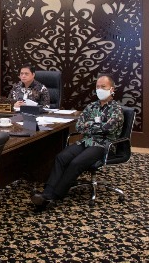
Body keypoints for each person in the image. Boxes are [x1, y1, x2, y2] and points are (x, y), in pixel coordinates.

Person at [31, 75, 124, 209]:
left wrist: (89, 124)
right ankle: (47, 192)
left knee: (76, 163)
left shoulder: (116, 109)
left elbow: (108, 128)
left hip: (103, 145)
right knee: (61, 157)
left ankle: (53, 196)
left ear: (112, 89)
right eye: (97, 87)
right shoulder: (91, 106)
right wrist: (93, 126)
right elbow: (79, 126)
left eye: (103, 87)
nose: (100, 89)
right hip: (86, 141)